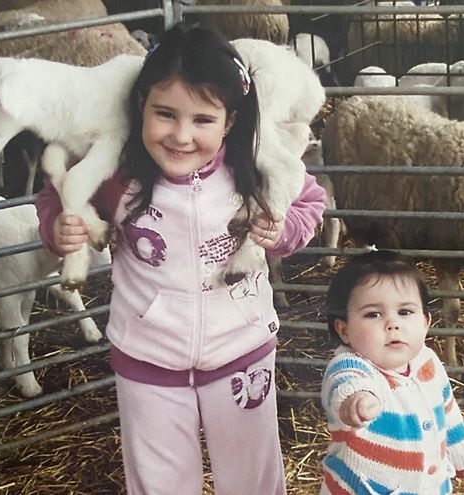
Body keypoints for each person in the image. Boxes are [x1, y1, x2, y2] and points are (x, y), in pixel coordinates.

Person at [35, 22, 327, 495]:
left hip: (242, 353)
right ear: (140, 107)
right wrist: (60, 227)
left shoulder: (253, 165)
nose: (181, 136)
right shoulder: (115, 172)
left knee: (253, 480)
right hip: (147, 357)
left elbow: (309, 200)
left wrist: (282, 229)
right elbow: (56, 192)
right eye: (165, 114)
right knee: (160, 485)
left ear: (230, 121)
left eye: (203, 120)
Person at [321, 251, 464, 495]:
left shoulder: (427, 363)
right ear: (344, 331)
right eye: (373, 314)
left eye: (405, 312)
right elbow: (344, 384)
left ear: (425, 323)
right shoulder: (351, 365)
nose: (392, 324)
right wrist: (357, 399)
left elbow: (449, 420)